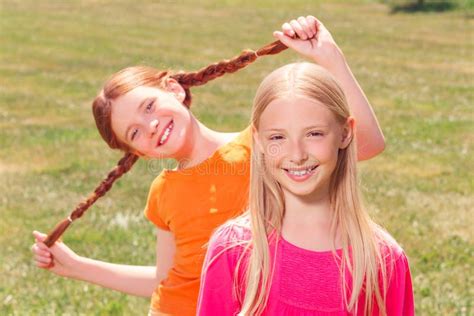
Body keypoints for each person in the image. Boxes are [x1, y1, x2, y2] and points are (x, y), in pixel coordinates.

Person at [32, 16, 385, 315]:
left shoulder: (261, 145)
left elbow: (367, 143)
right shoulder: (164, 191)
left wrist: (330, 58)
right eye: (135, 132)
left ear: (174, 89)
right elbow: (167, 279)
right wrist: (77, 267)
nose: (150, 126)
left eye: (149, 107)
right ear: (137, 152)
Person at [197, 19, 414, 316]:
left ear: (345, 133)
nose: (296, 155)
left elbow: (373, 142)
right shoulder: (233, 249)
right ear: (259, 141)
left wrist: (331, 59)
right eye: (278, 137)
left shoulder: (383, 259)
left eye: (314, 134)